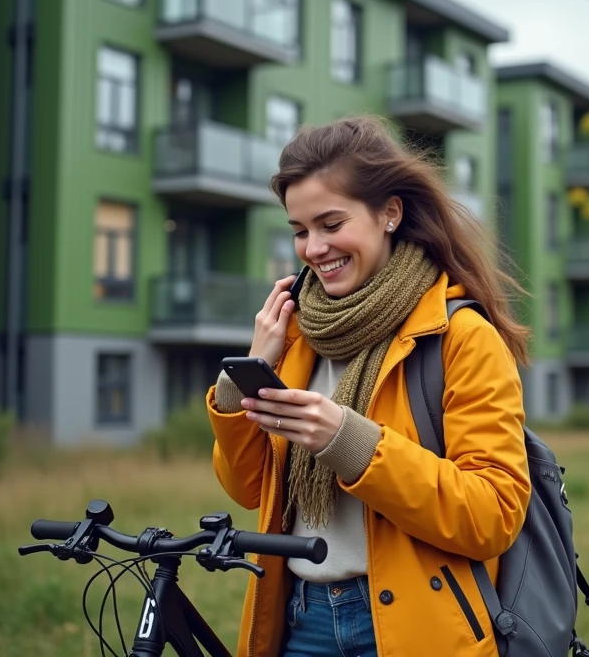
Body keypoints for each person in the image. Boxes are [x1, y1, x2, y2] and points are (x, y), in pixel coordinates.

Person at [206, 116, 532, 657]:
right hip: (301, 620)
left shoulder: (461, 337)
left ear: (389, 213)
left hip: (414, 627)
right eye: (300, 230)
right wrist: (241, 378)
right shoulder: (296, 334)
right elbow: (249, 490)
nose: (313, 248)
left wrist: (352, 444)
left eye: (331, 224)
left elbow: (492, 514)